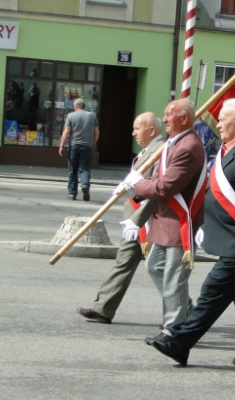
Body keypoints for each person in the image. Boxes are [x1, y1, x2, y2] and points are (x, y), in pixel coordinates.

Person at [145, 98, 235, 368]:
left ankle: (180, 342)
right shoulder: (230, 151)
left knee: (211, 294)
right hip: (230, 238)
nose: (217, 124)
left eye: (222, 119)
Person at [119, 98, 206, 329]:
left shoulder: (188, 146)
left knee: (174, 279)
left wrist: (138, 186)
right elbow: (158, 179)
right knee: (154, 266)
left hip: (180, 223)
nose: (164, 119)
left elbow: (167, 186)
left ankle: (174, 331)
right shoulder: (174, 142)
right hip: (165, 222)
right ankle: (185, 310)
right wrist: (138, 186)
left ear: (185, 118)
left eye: (169, 114)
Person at [76, 113, 164, 323]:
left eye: (137, 129)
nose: (133, 133)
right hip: (134, 217)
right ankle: (103, 308)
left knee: (161, 268)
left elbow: (157, 188)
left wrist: (138, 218)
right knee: (123, 262)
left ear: (151, 130)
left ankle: (185, 311)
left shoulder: (160, 150)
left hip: (150, 219)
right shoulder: (146, 151)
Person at [59, 98, 99, 201]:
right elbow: (97, 132)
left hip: (74, 146)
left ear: (76, 106)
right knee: (84, 168)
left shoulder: (71, 116)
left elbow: (67, 132)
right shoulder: (92, 116)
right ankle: (85, 185)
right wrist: (93, 143)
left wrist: (61, 145)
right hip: (87, 146)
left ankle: (72, 193)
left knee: (72, 169)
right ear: (84, 106)